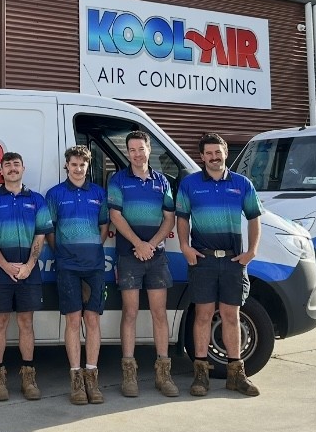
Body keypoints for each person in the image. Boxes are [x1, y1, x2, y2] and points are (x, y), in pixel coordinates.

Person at [175, 132, 263, 398]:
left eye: (218, 152)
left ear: (226, 153)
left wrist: (251, 252)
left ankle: (236, 375)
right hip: (203, 260)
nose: (214, 157)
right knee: (202, 315)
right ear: (201, 157)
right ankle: (201, 375)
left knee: (231, 316)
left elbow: (254, 218)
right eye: (209, 153)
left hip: (234, 261)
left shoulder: (242, 183)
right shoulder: (190, 185)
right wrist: (184, 247)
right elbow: (182, 219)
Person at [0, 152, 54, 402]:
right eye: (7, 165)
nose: (12, 168)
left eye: (16, 164)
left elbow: (41, 235)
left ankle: (28, 377)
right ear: (0, 170)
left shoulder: (37, 200)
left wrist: (30, 265)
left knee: (26, 323)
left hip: (29, 271)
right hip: (0, 271)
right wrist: (5, 266)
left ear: (23, 168)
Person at [107, 130, 179, 398]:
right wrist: (138, 243)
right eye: (132, 150)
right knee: (131, 313)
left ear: (150, 150)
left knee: (160, 314)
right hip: (129, 255)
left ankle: (163, 373)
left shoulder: (162, 182)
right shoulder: (117, 180)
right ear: (128, 153)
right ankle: (129, 374)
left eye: (141, 149)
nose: (137, 154)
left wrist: (151, 245)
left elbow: (169, 219)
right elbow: (115, 215)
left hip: (156, 257)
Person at [45, 145, 109, 406]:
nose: (78, 168)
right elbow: (49, 229)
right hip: (67, 266)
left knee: (92, 320)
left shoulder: (98, 193)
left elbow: (104, 225)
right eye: (74, 164)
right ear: (67, 166)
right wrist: (60, 252)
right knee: (73, 320)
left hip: (94, 266)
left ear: (87, 166)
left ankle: (91, 377)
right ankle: (75, 379)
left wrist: (94, 248)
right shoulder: (55, 194)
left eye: (82, 164)